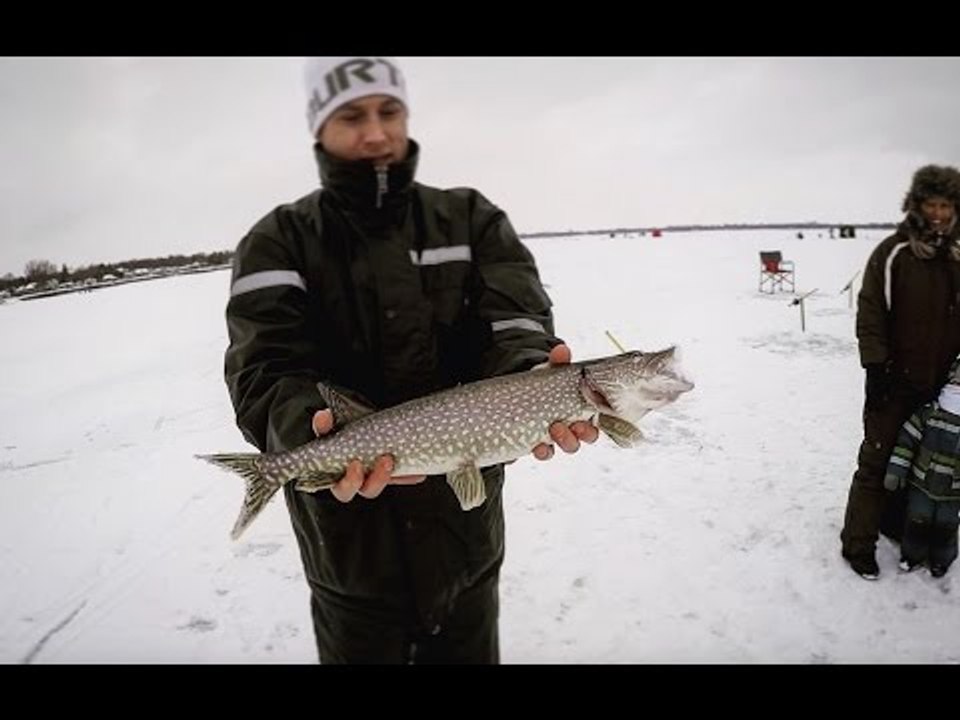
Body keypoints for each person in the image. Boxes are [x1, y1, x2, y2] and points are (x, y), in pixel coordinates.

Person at [222, 56, 598, 663]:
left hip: (466, 544)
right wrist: (307, 429)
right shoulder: (278, 241)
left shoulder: (471, 220)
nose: (375, 132)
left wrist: (532, 374)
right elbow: (264, 370)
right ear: (319, 127)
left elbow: (515, 323)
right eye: (351, 116)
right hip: (348, 558)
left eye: (388, 111)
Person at [840, 164, 960, 580]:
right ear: (917, 205)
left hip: (941, 388)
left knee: (921, 464)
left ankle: (896, 522)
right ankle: (857, 544)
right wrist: (877, 369)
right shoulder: (894, 252)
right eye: (932, 204)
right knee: (876, 462)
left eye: (946, 204)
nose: (939, 213)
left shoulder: (957, 255)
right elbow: (870, 314)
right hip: (893, 382)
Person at [883, 359, 960, 578]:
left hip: (953, 492)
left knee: (946, 526)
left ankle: (941, 560)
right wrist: (896, 469)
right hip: (922, 482)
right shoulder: (930, 412)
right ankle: (912, 555)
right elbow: (907, 440)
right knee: (917, 520)